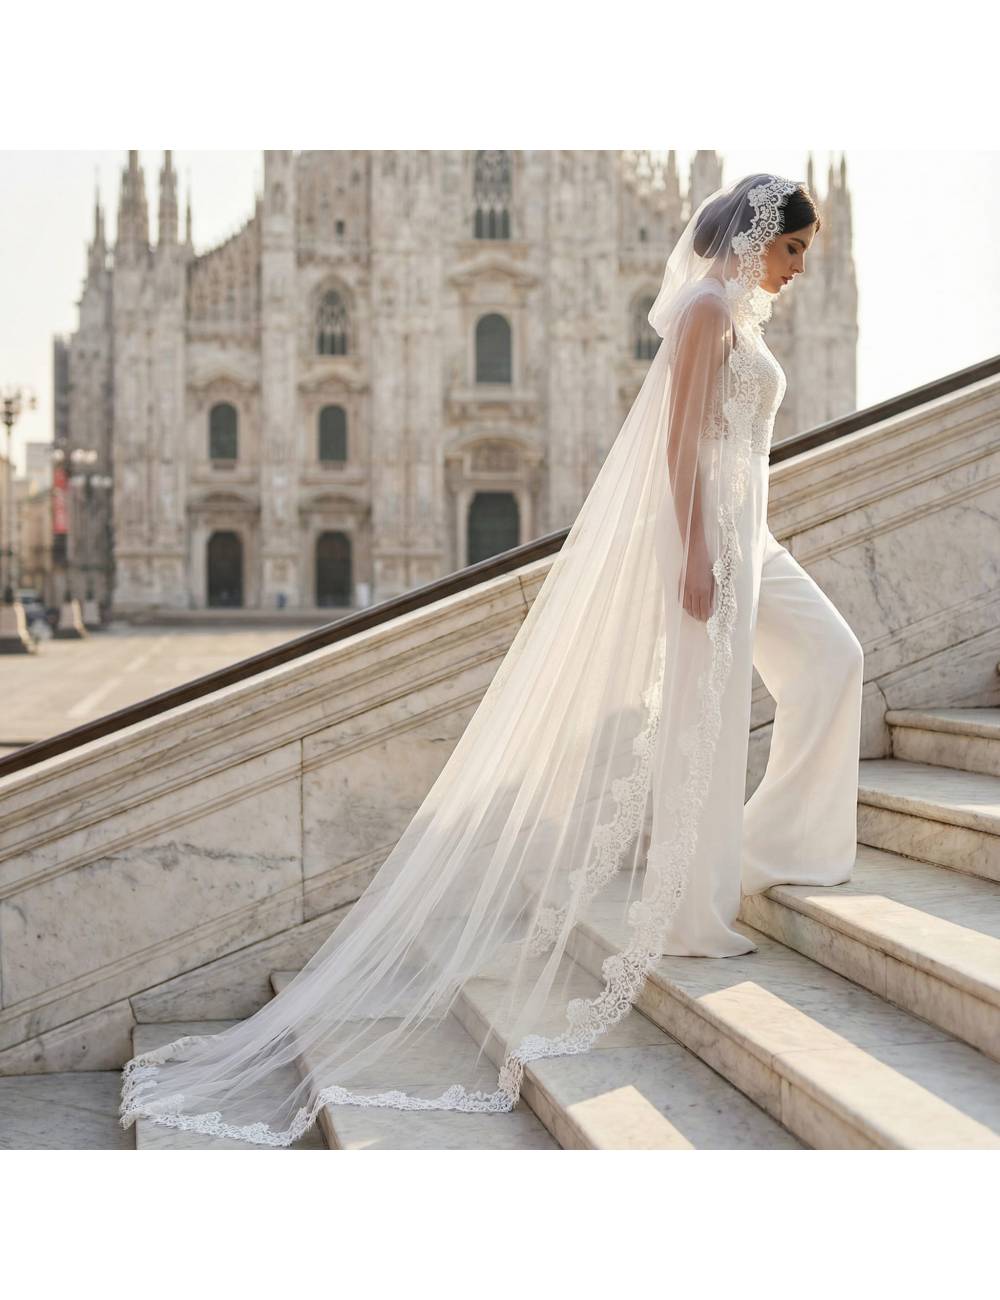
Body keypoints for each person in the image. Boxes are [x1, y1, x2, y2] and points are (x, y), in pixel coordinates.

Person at [120, 172, 864, 1147]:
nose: (801, 265)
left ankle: (771, 845)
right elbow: (678, 445)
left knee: (827, 661)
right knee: (707, 717)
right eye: (795, 246)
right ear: (761, 232)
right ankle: (709, 888)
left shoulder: (737, 314)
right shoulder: (700, 314)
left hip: (748, 535)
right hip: (711, 544)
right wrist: (692, 551)